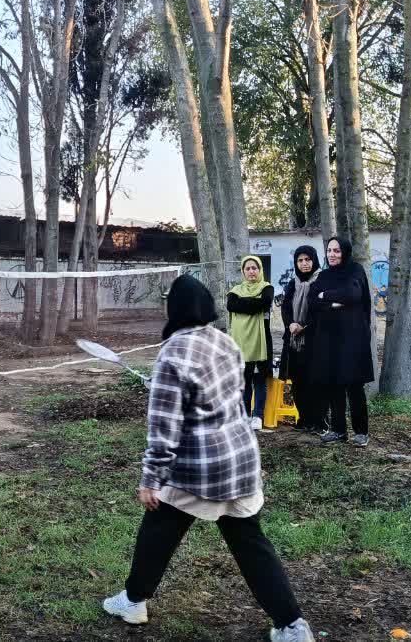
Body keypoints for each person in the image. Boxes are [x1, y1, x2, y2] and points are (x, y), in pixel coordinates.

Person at [101, 274, 314, 642]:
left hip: (199, 469)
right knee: (250, 543)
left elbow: (164, 426)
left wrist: (151, 479)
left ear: (175, 310)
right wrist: (166, 388)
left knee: (157, 529)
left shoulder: (172, 353)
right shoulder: (225, 342)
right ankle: (292, 625)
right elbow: (223, 397)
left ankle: (133, 601)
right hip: (241, 459)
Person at [306, 237, 374, 446]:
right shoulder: (324, 275)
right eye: (329, 250)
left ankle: (361, 432)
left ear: (345, 252)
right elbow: (311, 300)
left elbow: (353, 294)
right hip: (329, 338)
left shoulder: (355, 270)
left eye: (336, 250)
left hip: (352, 339)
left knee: (354, 385)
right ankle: (338, 430)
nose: (332, 254)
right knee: (333, 384)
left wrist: (324, 295)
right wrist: (332, 303)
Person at [278, 246, 324, 433]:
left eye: (308, 260)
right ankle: (303, 419)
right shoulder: (292, 283)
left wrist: (303, 327)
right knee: (297, 381)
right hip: (293, 340)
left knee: (314, 382)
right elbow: (285, 308)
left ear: (314, 260)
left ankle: (318, 421)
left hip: (315, 340)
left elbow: (321, 311)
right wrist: (290, 324)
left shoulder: (322, 281)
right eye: (300, 260)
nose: (304, 264)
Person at [228, 256, 275, 431]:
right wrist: (253, 304)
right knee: (245, 381)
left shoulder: (267, 288)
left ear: (260, 269)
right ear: (243, 271)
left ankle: (258, 416)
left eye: (254, 268)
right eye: (247, 269)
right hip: (241, 343)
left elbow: (265, 302)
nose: (251, 271)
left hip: (260, 342)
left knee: (259, 380)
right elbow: (231, 305)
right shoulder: (235, 290)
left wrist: (244, 304)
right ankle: (245, 415)